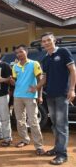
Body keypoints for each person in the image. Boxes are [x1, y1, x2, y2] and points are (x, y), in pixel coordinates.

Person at [31, 32, 76, 165]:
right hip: (50, 95)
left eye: (48, 40)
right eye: (43, 41)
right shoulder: (45, 58)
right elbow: (44, 77)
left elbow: (73, 70)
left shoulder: (63, 52)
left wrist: (72, 89)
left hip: (62, 94)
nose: (46, 43)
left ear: (54, 41)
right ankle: (57, 148)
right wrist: (36, 87)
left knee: (62, 125)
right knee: (55, 124)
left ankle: (62, 154)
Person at [10, 45, 45, 155]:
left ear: (26, 52)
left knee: (33, 121)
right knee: (20, 120)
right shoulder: (15, 66)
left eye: (21, 51)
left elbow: (40, 79)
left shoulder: (34, 63)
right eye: (17, 53)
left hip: (30, 96)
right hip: (17, 96)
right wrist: (11, 81)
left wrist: (39, 95)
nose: (19, 54)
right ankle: (24, 139)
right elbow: (15, 82)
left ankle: (39, 146)